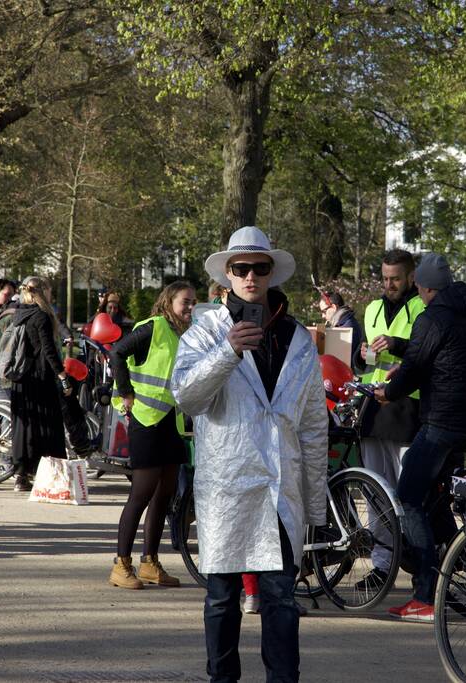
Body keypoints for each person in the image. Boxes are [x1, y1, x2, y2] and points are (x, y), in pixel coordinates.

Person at [172, 225, 328, 683]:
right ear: (228, 275)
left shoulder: (298, 339)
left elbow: (315, 425)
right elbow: (186, 397)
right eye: (241, 269)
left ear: (272, 273)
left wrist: (314, 501)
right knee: (221, 595)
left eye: (260, 268)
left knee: (280, 597)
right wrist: (228, 352)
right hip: (228, 484)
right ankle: (222, 678)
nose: (251, 277)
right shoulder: (207, 332)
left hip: (280, 487)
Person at [373, 253, 466, 622]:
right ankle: (451, 575)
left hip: (441, 421)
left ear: (424, 287)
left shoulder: (432, 316)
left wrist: (388, 393)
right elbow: (440, 357)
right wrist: (402, 355)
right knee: (436, 499)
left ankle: (425, 594)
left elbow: (414, 369)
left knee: (409, 495)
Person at [107, 280, 197, 590]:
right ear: (169, 301)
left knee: (165, 494)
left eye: (193, 302)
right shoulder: (154, 327)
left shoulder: (180, 333)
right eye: (185, 301)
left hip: (170, 423)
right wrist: (126, 393)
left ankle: (150, 562)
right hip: (145, 420)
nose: (190, 307)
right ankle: (121, 564)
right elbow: (117, 352)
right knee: (142, 493)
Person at [352, 248, 425, 591]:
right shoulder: (371, 309)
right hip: (374, 409)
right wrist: (362, 355)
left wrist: (396, 343)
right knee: (374, 492)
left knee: (408, 493)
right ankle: (382, 566)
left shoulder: (422, 307)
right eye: (384, 278)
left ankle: (422, 566)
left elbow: (427, 353)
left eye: (395, 278)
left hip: (408, 410)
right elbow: (365, 365)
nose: (389, 284)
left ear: (411, 277)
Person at [8, 276, 72, 492]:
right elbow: (48, 350)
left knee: (24, 427)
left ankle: (21, 475)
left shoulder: (19, 314)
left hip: (21, 378)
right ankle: (50, 474)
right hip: (40, 378)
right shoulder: (41, 316)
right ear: (43, 291)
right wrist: (62, 375)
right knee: (48, 426)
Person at [318, 290, 363, 362]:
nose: (323, 316)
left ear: (333, 307)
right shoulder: (344, 323)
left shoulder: (346, 328)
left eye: (324, 311)